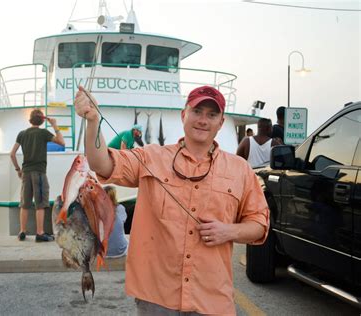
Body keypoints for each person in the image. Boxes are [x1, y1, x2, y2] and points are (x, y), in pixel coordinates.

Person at [74, 85, 269, 315]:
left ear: (221, 122)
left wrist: (229, 231)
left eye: (212, 115)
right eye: (197, 112)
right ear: (184, 115)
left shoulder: (241, 170)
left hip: (212, 299)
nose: (203, 120)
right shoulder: (150, 156)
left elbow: (259, 224)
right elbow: (100, 163)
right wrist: (93, 121)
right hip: (157, 298)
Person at [10, 109, 65, 242]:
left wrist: (18, 169)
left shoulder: (22, 134)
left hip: (26, 173)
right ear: (41, 121)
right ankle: (39, 233)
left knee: (25, 203)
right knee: (40, 203)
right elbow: (62, 142)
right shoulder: (43, 133)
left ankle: (22, 232)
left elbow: (12, 154)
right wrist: (55, 126)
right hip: (39, 172)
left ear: (30, 120)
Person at [104, 186, 128, 258]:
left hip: (104, 253)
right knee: (127, 239)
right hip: (120, 251)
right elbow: (123, 221)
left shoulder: (97, 211)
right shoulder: (120, 208)